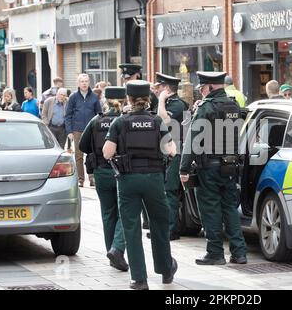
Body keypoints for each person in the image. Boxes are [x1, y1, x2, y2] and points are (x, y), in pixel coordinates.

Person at [102, 80, 178, 290]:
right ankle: (165, 270)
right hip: (154, 179)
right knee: (159, 225)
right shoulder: (156, 121)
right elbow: (171, 150)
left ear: (128, 98)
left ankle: (139, 279)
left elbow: (107, 153)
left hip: (127, 181)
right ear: (147, 99)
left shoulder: (120, 122)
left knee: (131, 228)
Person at [179, 71, 247, 266]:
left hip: (209, 168)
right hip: (230, 166)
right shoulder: (234, 105)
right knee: (230, 209)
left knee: (210, 209)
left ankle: (215, 253)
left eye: (202, 88)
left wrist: (183, 169)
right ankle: (239, 253)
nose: (201, 92)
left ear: (209, 87)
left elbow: (193, 140)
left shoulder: (206, 108)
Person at [79, 86, 128, 272]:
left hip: (101, 172)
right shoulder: (124, 120)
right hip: (122, 173)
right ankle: (117, 249)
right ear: (124, 101)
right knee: (126, 212)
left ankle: (112, 253)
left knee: (108, 214)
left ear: (105, 101)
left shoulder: (96, 120)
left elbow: (83, 145)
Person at [156, 72, 189, 241]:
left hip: (176, 153)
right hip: (167, 151)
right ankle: (165, 227)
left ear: (167, 89)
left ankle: (172, 229)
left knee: (170, 191)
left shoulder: (176, 105)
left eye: (160, 87)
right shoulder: (168, 102)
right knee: (165, 191)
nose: (157, 89)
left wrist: (161, 100)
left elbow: (165, 120)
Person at [65, 73, 102, 188]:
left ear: (89, 83)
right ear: (78, 83)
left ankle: (92, 178)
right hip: (77, 130)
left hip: (91, 130)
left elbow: (99, 115)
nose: (84, 83)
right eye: (82, 81)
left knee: (92, 154)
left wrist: (98, 130)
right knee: (79, 155)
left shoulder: (94, 97)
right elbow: (68, 115)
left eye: (86, 81)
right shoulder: (73, 97)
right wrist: (69, 131)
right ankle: (80, 179)